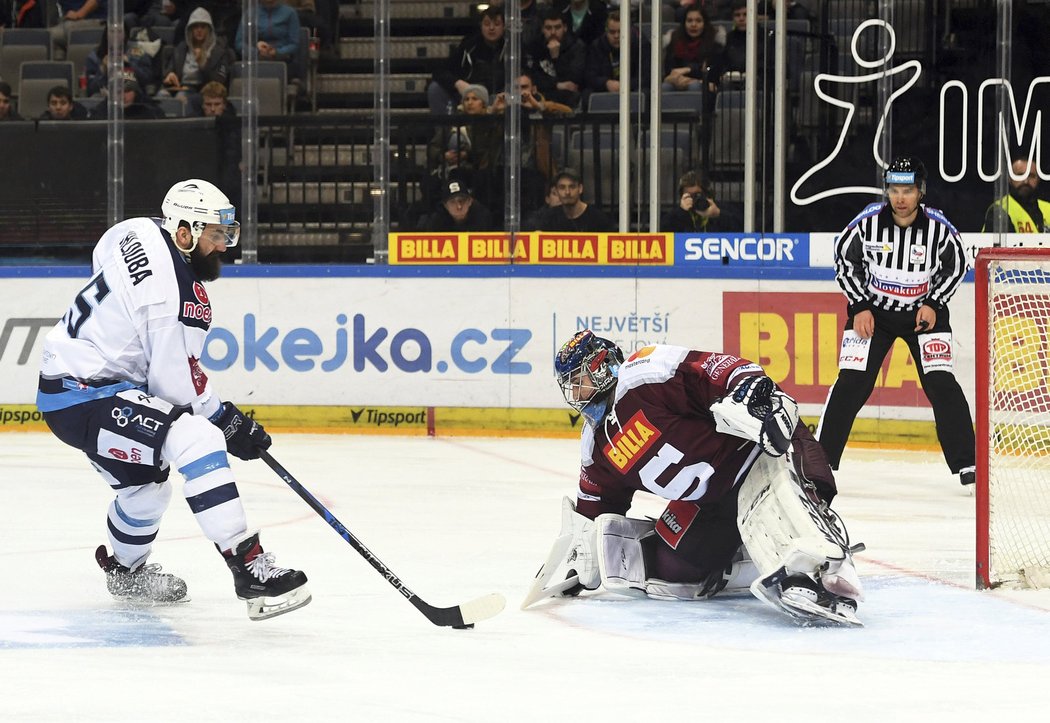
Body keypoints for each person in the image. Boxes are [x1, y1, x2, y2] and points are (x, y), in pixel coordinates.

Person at [35, 179, 310, 620]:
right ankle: (248, 567)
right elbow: (174, 387)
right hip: (86, 394)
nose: (224, 246)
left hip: (69, 388)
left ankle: (125, 572)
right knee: (196, 436)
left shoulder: (141, 230)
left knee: (146, 492)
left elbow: (105, 252)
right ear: (183, 231)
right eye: (215, 235)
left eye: (227, 234)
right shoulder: (172, 295)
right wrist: (228, 422)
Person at [523, 330, 864, 626]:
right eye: (571, 384)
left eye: (582, 376)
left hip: (757, 456)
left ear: (605, 364)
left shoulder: (643, 372)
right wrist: (577, 558)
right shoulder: (597, 445)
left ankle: (822, 564)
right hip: (711, 501)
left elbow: (717, 370)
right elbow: (595, 506)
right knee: (669, 569)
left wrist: (754, 393)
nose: (578, 389)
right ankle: (747, 560)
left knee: (791, 497)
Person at [817, 156, 976, 487]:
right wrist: (859, 306)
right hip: (874, 315)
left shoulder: (939, 228)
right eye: (894, 190)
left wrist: (934, 303)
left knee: (942, 383)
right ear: (886, 190)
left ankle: (968, 464)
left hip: (924, 317)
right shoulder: (866, 223)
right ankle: (821, 462)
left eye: (908, 190)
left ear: (921, 192)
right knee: (850, 382)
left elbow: (957, 264)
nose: (900, 198)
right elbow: (845, 262)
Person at [427, 6, 507, 116]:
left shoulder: (512, 48)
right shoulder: (469, 45)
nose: (491, 28)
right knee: (435, 88)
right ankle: (446, 131)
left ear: (504, 27)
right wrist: (458, 83)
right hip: (469, 95)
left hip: (499, 97)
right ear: (481, 26)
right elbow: (440, 71)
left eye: (497, 24)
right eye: (487, 24)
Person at [159, 7, 235, 115]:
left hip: (203, 90)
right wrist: (169, 74)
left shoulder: (220, 52)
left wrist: (202, 64)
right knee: (161, 96)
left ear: (209, 29)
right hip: (180, 86)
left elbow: (219, 80)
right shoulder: (182, 48)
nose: (199, 30)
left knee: (182, 98)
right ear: (190, 29)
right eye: (195, 27)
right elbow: (171, 68)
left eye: (203, 27)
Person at [526, 8, 587, 110]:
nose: (553, 32)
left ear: (565, 28)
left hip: (568, 96)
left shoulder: (576, 46)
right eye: (548, 28)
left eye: (557, 27)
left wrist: (556, 58)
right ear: (542, 29)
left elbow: (574, 79)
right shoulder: (535, 47)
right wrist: (556, 85)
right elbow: (532, 77)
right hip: (542, 94)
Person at [526, 167, 614, 231]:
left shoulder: (598, 219)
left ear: (580, 189)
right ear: (556, 190)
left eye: (572, 187)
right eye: (562, 187)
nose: (567, 192)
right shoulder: (547, 218)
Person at [981, 155, 1050, 233]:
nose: (1026, 181)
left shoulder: (1048, 208)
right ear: (1009, 178)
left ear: (1038, 179)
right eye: (1020, 175)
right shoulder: (999, 210)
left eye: (1031, 176)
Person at [662, 6, 721, 93]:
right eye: (689, 21)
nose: (693, 25)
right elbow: (670, 70)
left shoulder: (713, 44)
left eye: (698, 21)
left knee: (695, 87)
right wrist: (683, 79)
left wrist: (688, 70)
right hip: (677, 81)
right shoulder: (675, 41)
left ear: (705, 24)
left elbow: (712, 73)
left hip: (703, 84)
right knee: (665, 87)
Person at [200, 81, 242, 204]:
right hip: (203, 179)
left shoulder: (234, 125)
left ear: (224, 105)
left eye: (217, 104)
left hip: (228, 181)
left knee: (228, 220)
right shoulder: (194, 126)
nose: (212, 109)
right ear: (203, 105)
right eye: (208, 104)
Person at [421, 178, 495, 232]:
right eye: (452, 202)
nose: (459, 206)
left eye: (462, 201)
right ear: (445, 206)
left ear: (470, 201)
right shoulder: (436, 222)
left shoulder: (483, 217)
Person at [88, 70, 166, 119]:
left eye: (127, 91)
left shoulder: (153, 113)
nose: (123, 96)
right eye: (118, 91)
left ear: (135, 92)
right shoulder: (98, 114)